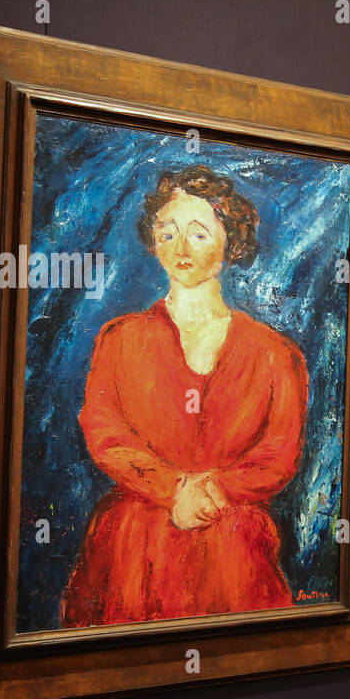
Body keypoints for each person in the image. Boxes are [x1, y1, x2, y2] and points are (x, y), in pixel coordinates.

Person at [60, 165, 309, 628]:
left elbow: (279, 454)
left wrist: (214, 490)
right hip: (132, 552)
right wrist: (172, 489)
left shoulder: (274, 353)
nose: (180, 247)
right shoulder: (120, 339)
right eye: (167, 231)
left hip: (234, 554)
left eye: (197, 233)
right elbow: (105, 431)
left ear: (229, 240)